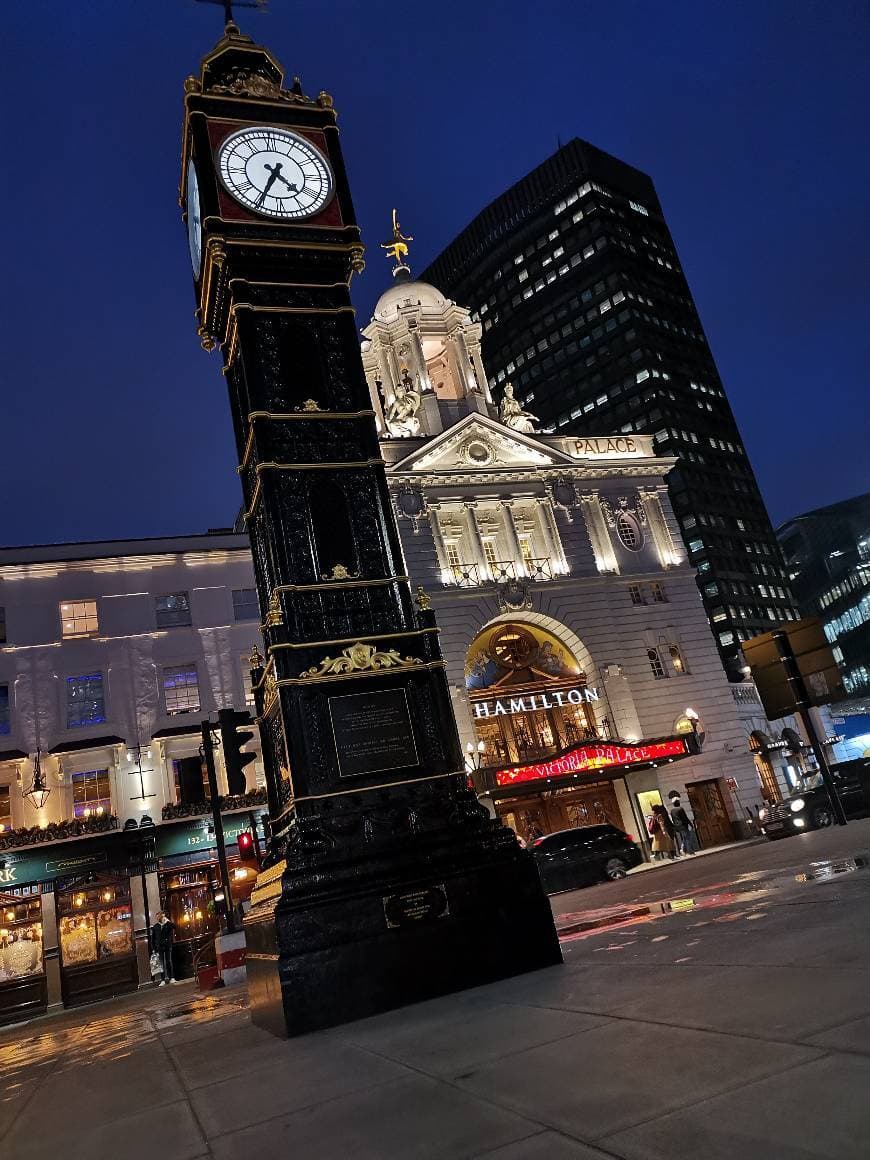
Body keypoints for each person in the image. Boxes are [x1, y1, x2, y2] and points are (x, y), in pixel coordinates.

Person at [150, 911, 176, 986]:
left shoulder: (168, 924)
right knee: (161, 964)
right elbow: (153, 939)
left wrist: (168, 921)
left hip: (168, 946)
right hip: (159, 947)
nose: (158, 918)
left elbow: (174, 927)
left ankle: (172, 977)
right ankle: (163, 980)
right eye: (157, 916)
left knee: (169, 961)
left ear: (162, 916)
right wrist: (153, 948)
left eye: (159, 916)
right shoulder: (155, 926)